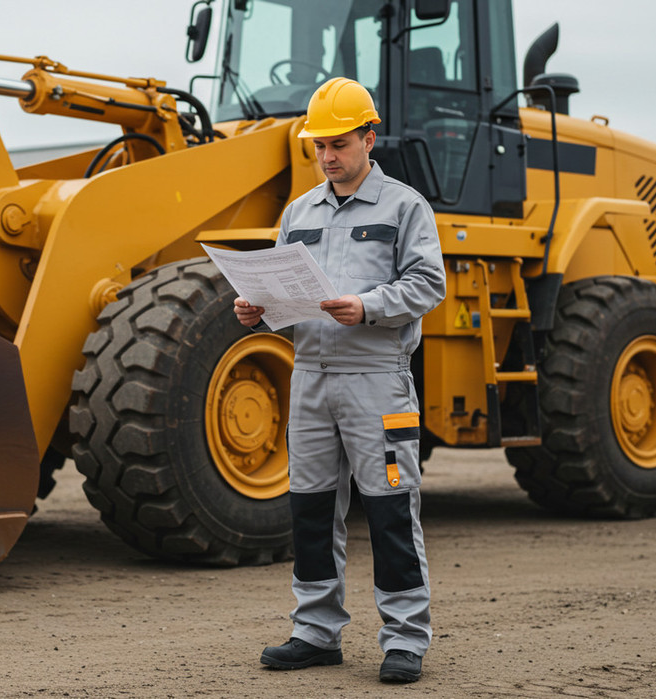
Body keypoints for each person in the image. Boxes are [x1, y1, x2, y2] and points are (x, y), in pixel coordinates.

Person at [234, 77, 446, 683]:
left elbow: (429, 284)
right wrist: (259, 313)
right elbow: (283, 296)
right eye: (319, 145)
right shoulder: (298, 212)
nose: (327, 156)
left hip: (376, 379)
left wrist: (368, 305)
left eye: (339, 143)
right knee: (310, 509)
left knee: (389, 509)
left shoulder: (405, 206)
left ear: (369, 138)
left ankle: (405, 638)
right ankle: (315, 631)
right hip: (311, 378)